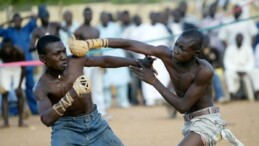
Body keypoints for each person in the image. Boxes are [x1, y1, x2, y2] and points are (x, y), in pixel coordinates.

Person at [72, 29, 244, 146]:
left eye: (182, 49)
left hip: (208, 122)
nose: (176, 51)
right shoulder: (166, 54)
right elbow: (130, 44)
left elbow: (182, 106)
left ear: (195, 54)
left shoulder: (204, 71)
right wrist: (94, 43)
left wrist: (153, 81)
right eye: (176, 45)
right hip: (190, 121)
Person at [33, 35, 148, 145]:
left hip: (95, 123)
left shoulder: (74, 62)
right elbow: (47, 119)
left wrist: (138, 63)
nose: (63, 56)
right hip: (66, 129)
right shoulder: (41, 87)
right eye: (57, 54)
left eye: (64, 51)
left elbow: (105, 61)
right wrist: (72, 93)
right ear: (43, 58)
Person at [0, 13, 38, 115]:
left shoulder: (26, 29)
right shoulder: (9, 31)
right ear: (13, 21)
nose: (17, 22)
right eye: (15, 20)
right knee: (14, 89)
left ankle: (34, 110)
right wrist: (8, 22)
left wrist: (33, 17)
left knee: (30, 88)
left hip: (28, 64)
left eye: (19, 20)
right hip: (14, 67)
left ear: (21, 21)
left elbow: (34, 20)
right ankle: (16, 111)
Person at [0, 38, 26, 127]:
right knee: (4, 93)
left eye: (9, 47)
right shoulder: (1, 51)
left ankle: (21, 121)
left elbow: (24, 68)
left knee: (20, 92)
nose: (7, 49)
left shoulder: (19, 51)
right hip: (5, 68)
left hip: (17, 68)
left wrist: (19, 86)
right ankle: (6, 122)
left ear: (12, 47)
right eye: (5, 47)